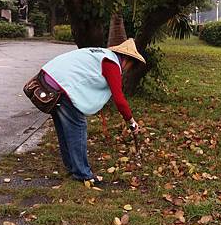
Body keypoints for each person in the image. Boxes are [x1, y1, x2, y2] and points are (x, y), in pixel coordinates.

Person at [39, 38, 145, 184]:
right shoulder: (111, 63)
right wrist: (131, 122)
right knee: (78, 127)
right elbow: (119, 99)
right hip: (61, 86)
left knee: (65, 130)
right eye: (131, 65)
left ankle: (72, 167)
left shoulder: (103, 55)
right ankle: (83, 174)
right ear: (128, 59)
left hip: (48, 80)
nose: (128, 70)